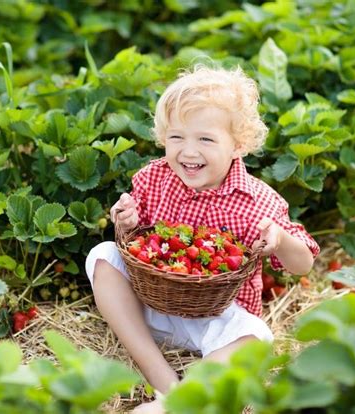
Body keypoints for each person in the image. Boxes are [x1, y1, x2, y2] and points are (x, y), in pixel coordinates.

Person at [85, 66, 320, 413]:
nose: (188, 152)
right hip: (151, 307)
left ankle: (181, 402)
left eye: (205, 139)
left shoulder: (256, 201)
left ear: (238, 145)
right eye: (177, 137)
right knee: (103, 255)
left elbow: (304, 264)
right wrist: (127, 222)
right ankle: (162, 378)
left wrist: (280, 238)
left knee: (258, 338)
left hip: (219, 322)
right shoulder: (154, 177)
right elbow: (136, 246)